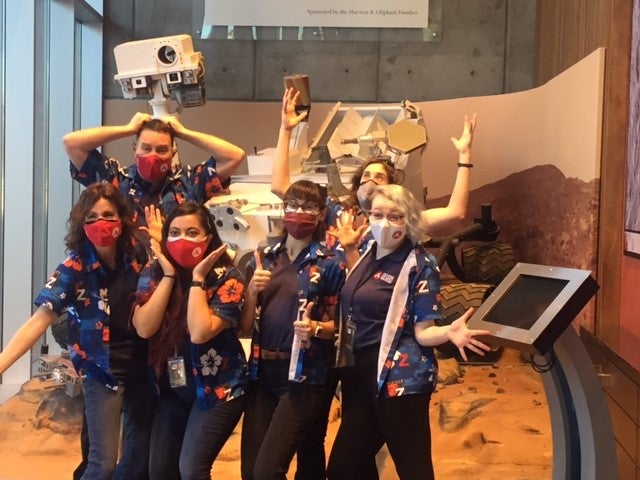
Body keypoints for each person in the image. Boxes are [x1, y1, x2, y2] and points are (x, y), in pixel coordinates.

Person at [326, 184, 492, 480]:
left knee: (413, 469)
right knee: (344, 467)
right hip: (363, 375)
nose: (384, 223)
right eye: (377, 214)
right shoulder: (367, 252)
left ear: (410, 221)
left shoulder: (419, 264)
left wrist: (449, 333)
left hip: (399, 380)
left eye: (395, 216)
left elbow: (423, 332)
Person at [0, 183, 153, 480]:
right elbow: (39, 320)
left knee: (137, 461)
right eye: (92, 216)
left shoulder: (138, 257)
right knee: (102, 463)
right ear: (82, 223)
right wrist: (3, 363)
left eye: (108, 214)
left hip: (143, 368)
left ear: (122, 218)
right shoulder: (74, 267)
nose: (101, 222)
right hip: (101, 372)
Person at [239, 179, 346, 480]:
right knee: (251, 472)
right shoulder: (263, 257)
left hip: (302, 377)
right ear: (283, 210)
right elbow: (245, 326)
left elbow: (340, 327)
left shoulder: (331, 264)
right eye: (293, 205)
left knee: (267, 470)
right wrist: (250, 292)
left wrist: (314, 328)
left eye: (309, 207)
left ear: (322, 213)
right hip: (261, 374)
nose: (300, 212)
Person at [132, 202, 248, 480]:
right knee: (159, 471)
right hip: (174, 387)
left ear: (208, 239)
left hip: (218, 388)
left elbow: (200, 332)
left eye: (191, 232)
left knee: (192, 469)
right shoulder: (154, 271)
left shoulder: (228, 277)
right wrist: (170, 275)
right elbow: (144, 328)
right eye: (174, 232)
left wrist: (197, 280)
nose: (182, 239)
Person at [63, 112, 246, 233]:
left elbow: (234, 156)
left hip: (174, 278)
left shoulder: (190, 182)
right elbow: (72, 143)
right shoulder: (115, 180)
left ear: (173, 154)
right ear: (135, 149)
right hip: (126, 277)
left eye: (161, 150)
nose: (153, 156)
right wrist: (128, 129)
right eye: (146, 148)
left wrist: (183, 132)